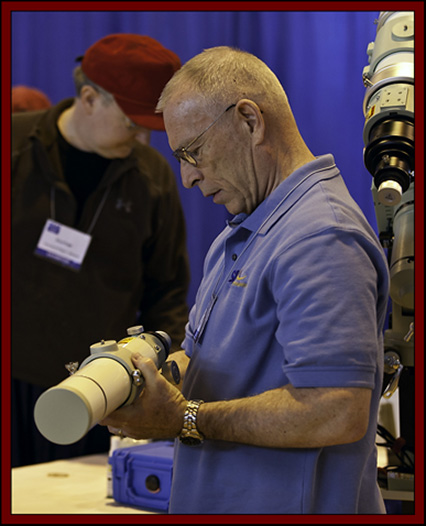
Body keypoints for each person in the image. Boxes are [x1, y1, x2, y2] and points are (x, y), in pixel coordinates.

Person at [100, 46, 390, 514]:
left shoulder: (319, 235)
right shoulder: (246, 229)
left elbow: (336, 410)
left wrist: (183, 418)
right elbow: (205, 362)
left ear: (250, 121)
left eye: (192, 152)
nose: (187, 178)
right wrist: (140, 378)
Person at [11, 34, 190, 467]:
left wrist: (161, 372)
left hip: (96, 390)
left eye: (151, 128)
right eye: (132, 124)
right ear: (90, 98)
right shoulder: (14, 146)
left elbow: (167, 293)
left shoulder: (152, 179)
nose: (143, 140)